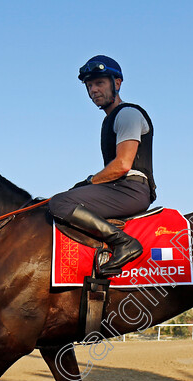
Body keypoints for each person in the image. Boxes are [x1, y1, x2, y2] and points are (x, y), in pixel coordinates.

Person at [48, 55, 157, 276]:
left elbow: (122, 165)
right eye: (89, 86)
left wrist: (89, 182)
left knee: (59, 203)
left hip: (131, 190)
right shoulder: (109, 120)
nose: (93, 90)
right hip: (118, 188)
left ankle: (125, 243)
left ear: (117, 83)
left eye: (99, 83)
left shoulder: (127, 114)